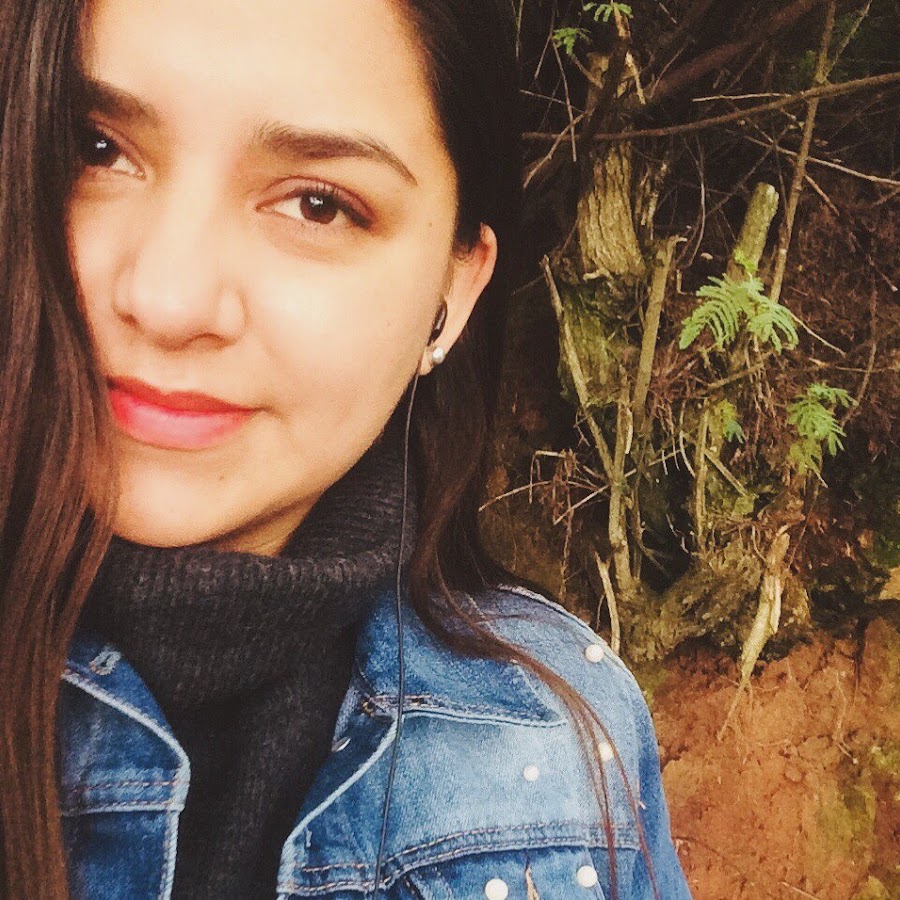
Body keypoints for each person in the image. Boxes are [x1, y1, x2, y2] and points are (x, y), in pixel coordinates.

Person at [0, 0, 692, 898]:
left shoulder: (555, 746)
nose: (168, 300)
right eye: (97, 150)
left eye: (317, 204)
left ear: (454, 291)